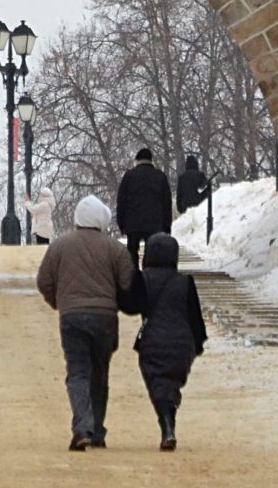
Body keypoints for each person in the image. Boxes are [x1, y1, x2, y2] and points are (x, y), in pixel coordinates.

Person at [34, 195, 133, 450]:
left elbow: (44, 279)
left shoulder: (59, 246)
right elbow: (127, 283)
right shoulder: (115, 249)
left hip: (72, 318)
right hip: (105, 318)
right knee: (100, 374)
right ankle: (97, 429)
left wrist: (59, 302)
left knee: (78, 372)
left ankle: (82, 428)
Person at [122, 232, 207, 450]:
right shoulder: (185, 282)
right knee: (169, 383)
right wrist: (197, 345)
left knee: (158, 383)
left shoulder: (143, 279)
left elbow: (132, 306)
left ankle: (167, 426)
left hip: (153, 341)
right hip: (182, 343)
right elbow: (195, 317)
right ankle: (169, 424)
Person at [116, 147, 174, 268]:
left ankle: (133, 278)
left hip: (133, 223)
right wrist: (167, 225)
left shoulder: (129, 176)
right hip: (155, 223)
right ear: (151, 160)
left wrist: (121, 223)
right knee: (152, 251)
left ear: (137, 160)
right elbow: (166, 203)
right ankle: (149, 276)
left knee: (132, 252)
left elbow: (121, 201)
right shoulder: (160, 177)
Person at [175, 155, 213, 240]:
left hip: (186, 204)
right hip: (199, 204)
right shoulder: (201, 175)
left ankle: (187, 239)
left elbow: (179, 194)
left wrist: (179, 207)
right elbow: (207, 191)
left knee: (187, 226)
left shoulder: (182, 177)